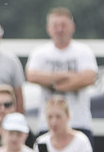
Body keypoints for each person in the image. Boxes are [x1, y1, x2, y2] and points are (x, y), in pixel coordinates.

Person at [26, 7, 97, 138]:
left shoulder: (83, 51)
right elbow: (32, 75)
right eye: (55, 25)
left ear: (72, 27)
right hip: (47, 124)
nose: (59, 29)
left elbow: (88, 78)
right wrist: (69, 75)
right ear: (49, 28)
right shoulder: (40, 52)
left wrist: (53, 85)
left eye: (63, 25)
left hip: (79, 122)